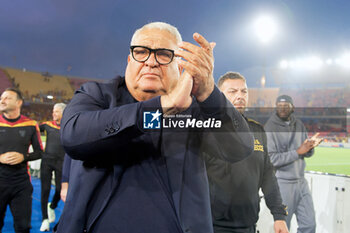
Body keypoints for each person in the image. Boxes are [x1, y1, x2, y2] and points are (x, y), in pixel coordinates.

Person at [56, 22, 254, 233]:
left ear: (179, 66)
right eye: (141, 52)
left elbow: (239, 148)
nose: (150, 62)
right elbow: (73, 135)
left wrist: (209, 93)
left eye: (162, 54)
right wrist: (160, 108)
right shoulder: (96, 95)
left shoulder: (195, 109)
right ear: (129, 60)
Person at [204, 72, 288, 233]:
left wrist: (279, 215)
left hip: (248, 225)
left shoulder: (257, 131)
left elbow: (267, 176)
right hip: (212, 226)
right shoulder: (206, 130)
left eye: (244, 91)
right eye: (233, 91)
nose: (240, 96)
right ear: (219, 96)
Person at [264, 95, 323, 233]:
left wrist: (310, 148)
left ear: (293, 108)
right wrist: (298, 151)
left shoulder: (299, 124)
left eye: (286, 106)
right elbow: (271, 159)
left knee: (309, 225)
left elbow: (305, 151)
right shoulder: (269, 128)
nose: (282, 109)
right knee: (284, 228)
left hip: (301, 183)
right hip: (283, 184)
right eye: (279, 105)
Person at [0, 88, 43, 233]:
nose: (2, 100)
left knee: (23, 227)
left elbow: (39, 152)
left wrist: (24, 157)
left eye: (7, 98)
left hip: (21, 184)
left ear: (19, 102)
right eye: (1, 97)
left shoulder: (30, 124)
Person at [39, 103, 66, 231]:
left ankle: (52, 206)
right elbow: (32, 130)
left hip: (61, 162)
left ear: (63, 113)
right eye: (53, 111)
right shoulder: (47, 125)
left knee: (60, 190)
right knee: (45, 190)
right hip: (46, 162)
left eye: (56, 111)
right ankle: (45, 219)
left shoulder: (67, 127)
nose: (53, 114)